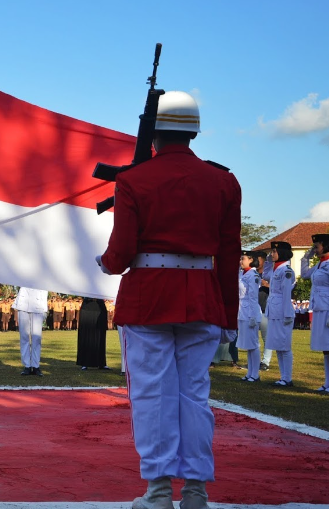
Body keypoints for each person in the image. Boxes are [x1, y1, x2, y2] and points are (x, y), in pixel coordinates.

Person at [96, 90, 241, 509]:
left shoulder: (133, 181)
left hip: (148, 299)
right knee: (194, 397)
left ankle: (158, 491)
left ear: (153, 134)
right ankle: (196, 491)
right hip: (202, 298)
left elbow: (121, 253)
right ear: (194, 132)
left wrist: (104, 265)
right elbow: (229, 256)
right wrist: (228, 315)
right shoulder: (224, 181)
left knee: (152, 395)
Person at [261, 241, 296, 387]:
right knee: (278, 346)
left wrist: (288, 315)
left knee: (284, 347)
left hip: (283, 312)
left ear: (282, 252)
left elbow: (287, 294)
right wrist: (268, 261)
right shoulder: (276, 269)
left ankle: (287, 378)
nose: (272, 254)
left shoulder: (286, 271)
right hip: (275, 311)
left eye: (274, 251)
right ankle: (283, 377)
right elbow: (265, 274)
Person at [301, 233, 329, 392]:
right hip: (320, 308)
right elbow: (305, 274)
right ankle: (327, 382)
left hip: (327, 309)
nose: (315, 249)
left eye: (316, 246)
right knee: (326, 348)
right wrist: (306, 257)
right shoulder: (319, 265)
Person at [237, 250, 264, 382]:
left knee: (254, 344)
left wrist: (253, 316)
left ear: (251, 260)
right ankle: (250, 373)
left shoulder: (253, 275)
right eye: (241, 259)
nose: (241, 261)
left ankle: (255, 374)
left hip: (250, 312)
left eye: (243, 259)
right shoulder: (242, 273)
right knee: (248, 345)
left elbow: (253, 297)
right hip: (242, 311)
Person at [13, 287, 48, 376]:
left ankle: (36, 366)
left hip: (38, 305)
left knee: (36, 338)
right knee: (24, 337)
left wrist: (44, 309)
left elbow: (45, 289)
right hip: (23, 305)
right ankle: (27, 366)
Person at [76, 298, 109, 370]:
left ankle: (101, 363)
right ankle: (85, 362)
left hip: (100, 308)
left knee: (100, 336)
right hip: (87, 309)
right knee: (87, 335)